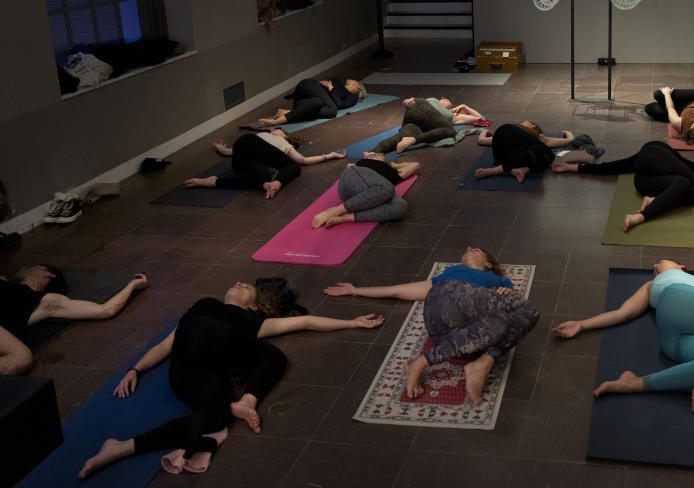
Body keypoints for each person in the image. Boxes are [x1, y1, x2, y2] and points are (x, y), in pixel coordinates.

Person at [77, 280, 384, 479]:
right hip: (189, 350)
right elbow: (164, 346)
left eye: (247, 287)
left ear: (253, 305)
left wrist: (351, 322)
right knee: (273, 357)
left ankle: (120, 448)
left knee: (213, 416)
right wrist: (135, 369)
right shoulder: (206, 305)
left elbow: (304, 321)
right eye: (238, 283)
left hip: (198, 359)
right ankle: (245, 400)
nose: (240, 283)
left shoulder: (252, 320)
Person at [553, 259, 694, 412]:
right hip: (674, 312)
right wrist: (582, 324)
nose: (656, 266)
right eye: (654, 268)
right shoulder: (653, 286)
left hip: (692, 335)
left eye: (661, 262)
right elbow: (623, 312)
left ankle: (637, 383)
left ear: (681, 266)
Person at [323, 246, 539, 404]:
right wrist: (355, 290)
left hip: (468, 340)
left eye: (476, 249)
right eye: (466, 249)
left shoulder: (498, 281)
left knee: (520, 314)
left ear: (488, 264)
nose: (469, 248)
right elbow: (396, 290)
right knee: (511, 312)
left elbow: (513, 305)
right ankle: (428, 363)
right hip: (443, 316)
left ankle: (483, 361)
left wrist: (507, 292)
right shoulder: (449, 275)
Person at [552, 140, 694, 230]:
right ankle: (640, 216)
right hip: (646, 182)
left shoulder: (666, 156)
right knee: (692, 187)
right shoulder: (651, 159)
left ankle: (652, 201)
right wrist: (574, 168)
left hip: (655, 174)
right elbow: (615, 166)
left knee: (689, 185)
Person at [0, 265, 148, 375]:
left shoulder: (48, 302)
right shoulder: (10, 286)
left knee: (22, 359)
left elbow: (105, 310)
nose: (24, 266)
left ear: (47, 274)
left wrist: (132, 285)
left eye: (34, 266)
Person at [184, 131, 345, 199]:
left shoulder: (283, 142)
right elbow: (301, 161)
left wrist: (220, 148)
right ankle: (278, 182)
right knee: (293, 167)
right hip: (248, 142)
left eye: (281, 132)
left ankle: (214, 181)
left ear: (285, 137)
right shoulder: (270, 138)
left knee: (262, 177)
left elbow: (228, 152)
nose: (278, 131)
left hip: (241, 160)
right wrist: (329, 155)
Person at [311, 151, 420, 228]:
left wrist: (394, 166)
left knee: (400, 207)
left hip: (369, 196)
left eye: (379, 154)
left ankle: (346, 217)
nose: (375, 154)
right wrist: (369, 157)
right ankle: (336, 210)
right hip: (352, 180)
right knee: (387, 188)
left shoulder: (392, 172)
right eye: (372, 154)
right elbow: (349, 167)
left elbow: (416, 165)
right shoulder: (361, 164)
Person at [372, 97, 484, 154]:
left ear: (450, 107)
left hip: (416, 121)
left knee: (399, 138)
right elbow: (412, 101)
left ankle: (373, 153)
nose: (444, 98)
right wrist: (406, 102)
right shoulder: (431, 101)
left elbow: (482, 120)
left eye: (447, 100)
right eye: (443, 98)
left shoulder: (454, 115)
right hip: (417, 106)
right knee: (450, 131)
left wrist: (465, 106)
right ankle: (413, 140)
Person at [474, 122, 570, 183]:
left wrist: (485, 131)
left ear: (533, 127)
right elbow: (568, 141)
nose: (524, 122)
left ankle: (522, 169)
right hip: (503, 156)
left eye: (527, 122)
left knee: (535, 153)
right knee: (548, 155)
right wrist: (569, 133)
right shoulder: (530, 138)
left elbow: (481, 140)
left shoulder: (535, 135)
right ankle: (523, 169)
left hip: (501, 158)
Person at [258, 77, 367, 126]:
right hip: (308, 86)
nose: (352, 79)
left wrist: (331, 88)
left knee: (320, 104)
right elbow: (318, 86)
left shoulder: (351, 96)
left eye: (355, 80)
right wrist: (330, 87)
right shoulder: (336, 81)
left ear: (359, 87)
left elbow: (339, 104)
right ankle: (279, 121)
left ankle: (288, 113)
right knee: (332, 111)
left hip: (305, 102)